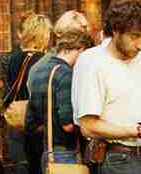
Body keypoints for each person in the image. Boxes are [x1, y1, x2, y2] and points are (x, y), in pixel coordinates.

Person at [71, 0, 141, 174]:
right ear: (115, 30)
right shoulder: (91, 62)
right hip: (118, 159)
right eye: (135, 36)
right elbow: (88, 126)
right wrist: (137, 131)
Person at [26, 28, 94, 174]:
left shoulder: (38, 70)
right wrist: (92, 127)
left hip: (48, 153)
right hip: (66, 154)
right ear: (81, 50)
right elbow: (68, 125)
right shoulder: (65, 73)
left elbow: (31, 122)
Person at [6, 14, 53, 174]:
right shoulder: (46, 60)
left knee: (22, 164)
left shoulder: (13, 59)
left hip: (18, 120)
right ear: (43, 35)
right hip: (37, 122)